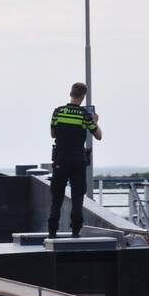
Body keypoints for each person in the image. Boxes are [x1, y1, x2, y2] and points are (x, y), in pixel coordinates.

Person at [49, 82, 103, 238]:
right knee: (77, 197)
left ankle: (52, 231)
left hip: (60, 159)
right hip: (78, 160)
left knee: (57, 197)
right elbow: (98, 136)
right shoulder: (84, 115)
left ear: (71, 93)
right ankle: (75, 231)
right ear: (83, 97)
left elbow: (53, 134)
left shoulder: (58, 112)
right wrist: (94, 121)